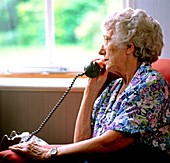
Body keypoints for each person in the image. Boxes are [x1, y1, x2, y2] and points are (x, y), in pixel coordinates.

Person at [0, 7, 170, 163]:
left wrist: (49, 153)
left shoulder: (151, 84)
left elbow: (111, 142)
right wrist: (90, 90)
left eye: (107, 40)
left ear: (129, 47)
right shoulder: (114, 87)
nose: (101, 50)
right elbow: (81, 143)